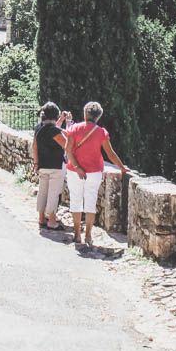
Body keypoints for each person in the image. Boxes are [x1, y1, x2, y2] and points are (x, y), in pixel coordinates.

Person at [64, 101, 127, 248]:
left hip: (74, 171)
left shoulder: (73, 128)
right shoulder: (101, 132)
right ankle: (88, 235)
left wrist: (77, 167)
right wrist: (122, 167)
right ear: (98, 117)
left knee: (76, 200)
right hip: (94, 172)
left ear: (85, 114)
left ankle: (77, 234)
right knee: (90, 202)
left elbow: (68, 150)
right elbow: (110, 154)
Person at [32, 102, 71, 231]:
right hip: (56, 165)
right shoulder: (54, 131)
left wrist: (36, 163)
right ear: (55, 115)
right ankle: (52, 221)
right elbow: (67, 145)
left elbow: (34, 147)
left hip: (42, 164)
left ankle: (41, 218)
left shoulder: (38, 129)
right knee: (53, 193)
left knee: (42, 192)